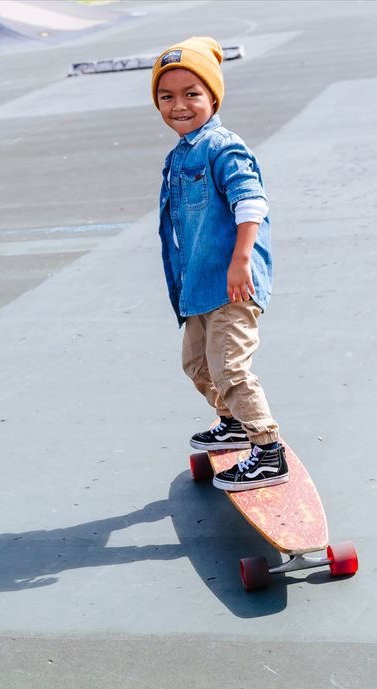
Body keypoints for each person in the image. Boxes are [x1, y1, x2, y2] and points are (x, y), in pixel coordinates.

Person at [151, 36, 288, 492]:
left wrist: (241, 261)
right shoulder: (180, 154)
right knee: (197, 365)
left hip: (232, 283)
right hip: (199, 285)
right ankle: (232, 423)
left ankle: (268, 451)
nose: (180, 105)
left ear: (212, 96)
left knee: (230, 368)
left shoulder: (222, 147)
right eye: (167, 96)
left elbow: (252, 203)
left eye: (192, 93)